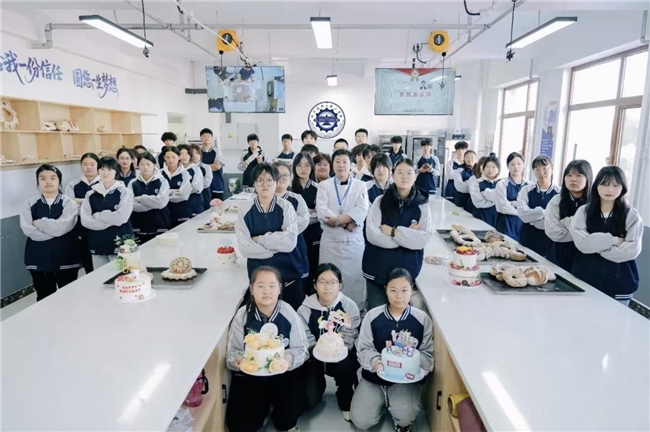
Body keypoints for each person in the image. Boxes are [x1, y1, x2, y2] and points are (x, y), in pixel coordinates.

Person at [225, 266, 308, 432]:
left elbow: (302, 349)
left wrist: (288, 359)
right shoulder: (243, 315)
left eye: (272, 286)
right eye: (261, 286)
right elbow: (232, 352)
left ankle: (276, 410)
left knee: (287, 419)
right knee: (240, 425)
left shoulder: (288, 313)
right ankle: (262, 409)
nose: (266, 291)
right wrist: (238, 360)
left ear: (279, 289)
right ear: (252, 289)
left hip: (282, 375)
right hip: (250, 377)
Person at [350, 268, 434, 432]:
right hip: (375, 378)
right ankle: (383, 401)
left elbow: (427, 353)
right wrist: (377, 363)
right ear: (386, 290)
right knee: (361, 421)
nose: (399, 296)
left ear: (411, 290)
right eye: (393, 290)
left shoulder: (422, 319)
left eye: (404, 290)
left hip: (406, 380)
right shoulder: (372, 316)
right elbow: (364, 348)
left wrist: (417, 366)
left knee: (405, 417)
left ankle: (396, 405)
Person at [363, 159, 432, 310]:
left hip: (407, 271)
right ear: (393, 175)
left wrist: (394, 232)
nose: (404, 176)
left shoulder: (422, 204)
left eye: (409, 173)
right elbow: (372, 235)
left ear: (416, 176)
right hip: (378, 269)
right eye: (399, 172)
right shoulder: (380, 201)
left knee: (403, 318)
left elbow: (423, 239)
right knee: (377, 315)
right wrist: (407, 237)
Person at [236, 163, 306, 311]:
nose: (265, 184)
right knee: (262, 317)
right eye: (260, 180)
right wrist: (275, 248)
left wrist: (260, 240)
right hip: (259, 277)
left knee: (293, 315)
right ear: (254, 184)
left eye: (269, 180)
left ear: (276, 182)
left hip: (288, 272)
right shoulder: (245, 210)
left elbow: (290, 242)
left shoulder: (286, 207)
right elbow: (245, 248)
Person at [569, 166, 643, 306]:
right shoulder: (584, 211)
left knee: (617, 319)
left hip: (619, 282)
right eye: (604, 184)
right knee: (583, 317)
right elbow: (582, 244)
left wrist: (595, 245)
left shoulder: (631, 215)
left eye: (616, 185)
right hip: (586, 277)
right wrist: (614, 240)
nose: (610, 190)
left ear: (623, 187)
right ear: (596, 186)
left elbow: (631, 250)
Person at [299, 263, 361, 422]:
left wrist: (339, 347)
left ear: (340, 285)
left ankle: (345, 394)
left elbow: (351, 332)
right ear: (315, 285)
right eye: (322, 282)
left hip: (340, 354)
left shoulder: (349, 306)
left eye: (332, 282)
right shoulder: (305, 308)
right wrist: (317, 348)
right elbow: (304, 334)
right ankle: (317, 385)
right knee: (309, 401)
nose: (327, 287)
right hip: (313, 355)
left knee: (346, 366)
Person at [316, 149, 370, 313]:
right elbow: (322, 210)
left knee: (355, 280)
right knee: (328, 280)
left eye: (345, 162)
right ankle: (328, 314)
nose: (341, 165)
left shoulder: (360, 185)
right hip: (330, 243)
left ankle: (355, 314)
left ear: (351, 165)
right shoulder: (324, 186)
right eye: (337, 161)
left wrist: (337, 220)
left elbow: (362, 210)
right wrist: (346, 223)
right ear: (333, 164)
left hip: (353, 243)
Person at [20, 164, 81, 301]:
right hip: (38, 259)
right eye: (43, 178)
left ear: (59, 181)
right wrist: (54, 229)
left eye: (53, 178)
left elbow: (63, 227)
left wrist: (39, 223)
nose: (48, 181)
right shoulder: (29, 204)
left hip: (66, 258)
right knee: (44, 298)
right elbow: (28, 230)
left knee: (69, 298)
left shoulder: (69, 203)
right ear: (38, 181)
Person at [80, 156, 134, 269]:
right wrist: (110, 220)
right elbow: (85, 220)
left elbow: (121, 218)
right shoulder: (90, 194)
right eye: (102, 169)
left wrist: (98, 215)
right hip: (97, 243)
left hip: (121, 243)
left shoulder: (125, 192)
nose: (105, 173)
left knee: (123, 275)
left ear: (116, 171)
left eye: (109, 169)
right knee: (100, 277)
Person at [273, 161, 311, 309]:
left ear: (290, 179)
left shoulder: (297, 199)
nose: (282, 178)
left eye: (285, 175)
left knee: (295, 297)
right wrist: (285, 230)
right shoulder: (264, 199)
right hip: (271, 254)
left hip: (295, 251)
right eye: (277, 175)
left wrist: (276, 231)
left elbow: (303, 221)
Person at [544, 160, 593, 272]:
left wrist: (566, 222)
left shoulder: (594, 203)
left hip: (585, 256)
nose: (573, 179)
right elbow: (553, 231)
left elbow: (596, 230)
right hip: (558, 253)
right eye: (569, 175)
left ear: (588, 178)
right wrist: (581, 233)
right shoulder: (557, 200)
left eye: (579, 175)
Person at [517, 155, 560, 256]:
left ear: (552, 169)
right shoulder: (526, 190)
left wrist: (533, 220)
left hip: (549, 241)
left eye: (545, 169)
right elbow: (522, 214)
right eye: (537, 170)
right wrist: (544, 213)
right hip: (527, 239)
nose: (541, 172)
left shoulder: (559, 193)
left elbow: (558, 219)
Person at [64, 153, 100, 274]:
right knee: (86, 258)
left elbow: (102, 206)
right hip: (81, 227)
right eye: (85, 164)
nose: (89, 167)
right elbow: (70, 207)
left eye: (92, 164)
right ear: (81, 166)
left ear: (98, 165)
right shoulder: (73, 184)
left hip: (100, 226)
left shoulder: (104, 183)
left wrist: (79, 201)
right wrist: (90, 206)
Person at [292, 153, 322, 287]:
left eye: (306, 165)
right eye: (299, 165)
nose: (303, 169)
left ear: (312, 168)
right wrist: (308, 211)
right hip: (294, 235)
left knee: (313, 265)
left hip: (313, 233)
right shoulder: (289, 188)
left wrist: (299, 216)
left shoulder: (318, 188)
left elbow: (320, 214)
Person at [128, 152, 171, 244]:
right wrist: (152, 204)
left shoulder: (162, 181)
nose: (145, 167)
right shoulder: (133, 183)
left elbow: (161, 203)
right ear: (138, 166)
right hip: (138, 227)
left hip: (160, 225)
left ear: (154, 165)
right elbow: (130, 204)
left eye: (148, 164)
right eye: (142, 164)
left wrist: (140, 199)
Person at [495, 152, 531, 242]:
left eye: (519, 164)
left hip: (524, 225)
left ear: (523, 165)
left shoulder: (530, 185)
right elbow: (502, 206)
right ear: (508, 166)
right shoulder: (502, 184)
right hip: (506, 224)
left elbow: (532, 205)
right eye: (512, 164)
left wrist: (512, 203)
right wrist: (523, 211)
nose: (516, 167)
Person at [161, 146, 192, 227]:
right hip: (164, 214)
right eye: (168, 157)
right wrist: (172, 191)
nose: (171, 160)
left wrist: (163, 197)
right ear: (164, 158)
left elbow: (184, 195)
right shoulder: (159, 174)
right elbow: (155, 195)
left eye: (173, 157)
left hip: (182, 212)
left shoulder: (184, 173)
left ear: (179, 157)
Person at [469, 153, 501, 227]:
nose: (490, 170)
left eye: (493, 167)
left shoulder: (502, 183)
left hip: (498, 220)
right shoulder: (476, 182)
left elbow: (505, 202)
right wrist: (495, 201)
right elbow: (477, 202)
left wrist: (484, 194)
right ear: (483, 169)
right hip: (479, 217)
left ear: (498, 169)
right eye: (487, 167)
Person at [178, 144, 205, 217]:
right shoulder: (175, 170)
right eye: (181, 154)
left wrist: (179, 190)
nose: (184, 156)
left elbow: (196, 187)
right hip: (179, 206)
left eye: (186, 154)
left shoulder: (196, 169)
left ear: (190, 155)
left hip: (194, 203)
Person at [199, 128, 226, 200]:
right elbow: (195, 167)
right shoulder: (198, 152)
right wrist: (211, 166)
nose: (206, 138)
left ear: (212, 138)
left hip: (216, 184)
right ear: (200, 138)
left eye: (208, 136)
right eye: (204, 136)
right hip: (202, 185)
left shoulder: (217, 151)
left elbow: (217, 167)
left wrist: (202, 166)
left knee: (218, 206)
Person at [190, 144, 213, 211]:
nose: (194, 155)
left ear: (200, 155)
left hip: (204, 194)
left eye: (197, 153)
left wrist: (195, 186)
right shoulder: (187, 169)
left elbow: (207, 183)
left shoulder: (206, 167)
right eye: (192, 153)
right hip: (191, 197)